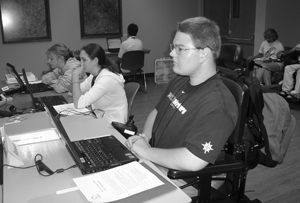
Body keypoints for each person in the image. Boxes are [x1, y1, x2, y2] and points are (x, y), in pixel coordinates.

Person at [125, 16, 238, 196]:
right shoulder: (181, 80)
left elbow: (193, 160)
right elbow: (157, 111)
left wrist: (146, 152)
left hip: (187, 178)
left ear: (204, 53)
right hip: (159, 161)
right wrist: (145, 137)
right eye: (173, 48)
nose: (171, 54)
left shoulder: (218, 103)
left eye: (180, 49)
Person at [71, 43, 128, 124]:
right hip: (101, 118)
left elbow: (79, 104)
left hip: (113, 124)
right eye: (80, 59)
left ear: (95, 61)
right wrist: (76, 81)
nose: (81, 63)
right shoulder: (94, 75)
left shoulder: (106, 79)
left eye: (84, 60)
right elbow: (74, 92)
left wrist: (75, 75)